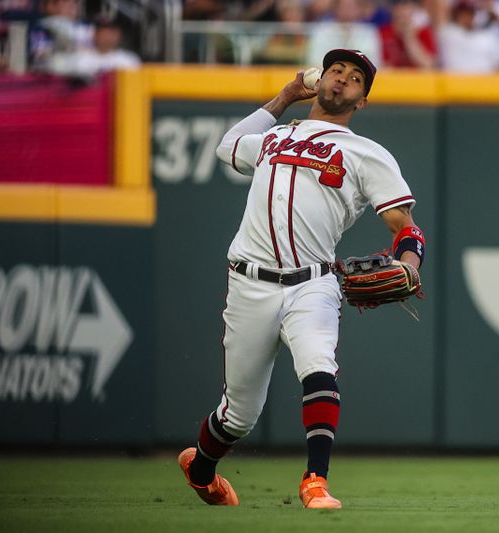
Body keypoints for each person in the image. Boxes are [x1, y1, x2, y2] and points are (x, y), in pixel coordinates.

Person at [177, 48, 426, 510]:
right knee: (239, 416)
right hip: (249, 283)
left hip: (312, 283)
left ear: (361, 102)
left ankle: (316, 481)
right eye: (336, 71)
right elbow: (226, 145)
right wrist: (285, 95)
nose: (341, 80)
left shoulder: (366, 153)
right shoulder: (275, 137)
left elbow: (404, 224)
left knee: (319, 365)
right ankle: (201, 468)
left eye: (354, 79)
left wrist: (410, 262)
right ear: (320, 79)